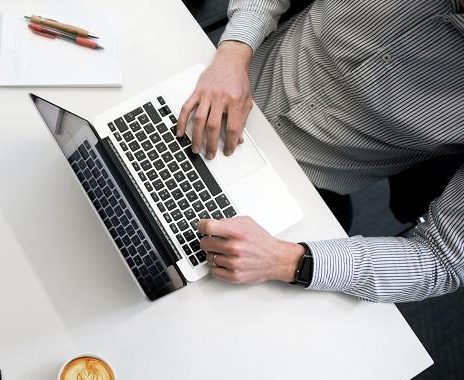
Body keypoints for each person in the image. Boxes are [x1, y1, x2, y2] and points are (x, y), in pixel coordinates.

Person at [178, 0, 464, 302]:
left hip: (296, 188)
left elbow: (442, 260)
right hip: (215, 80)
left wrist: (287, 261)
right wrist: (233, 55)